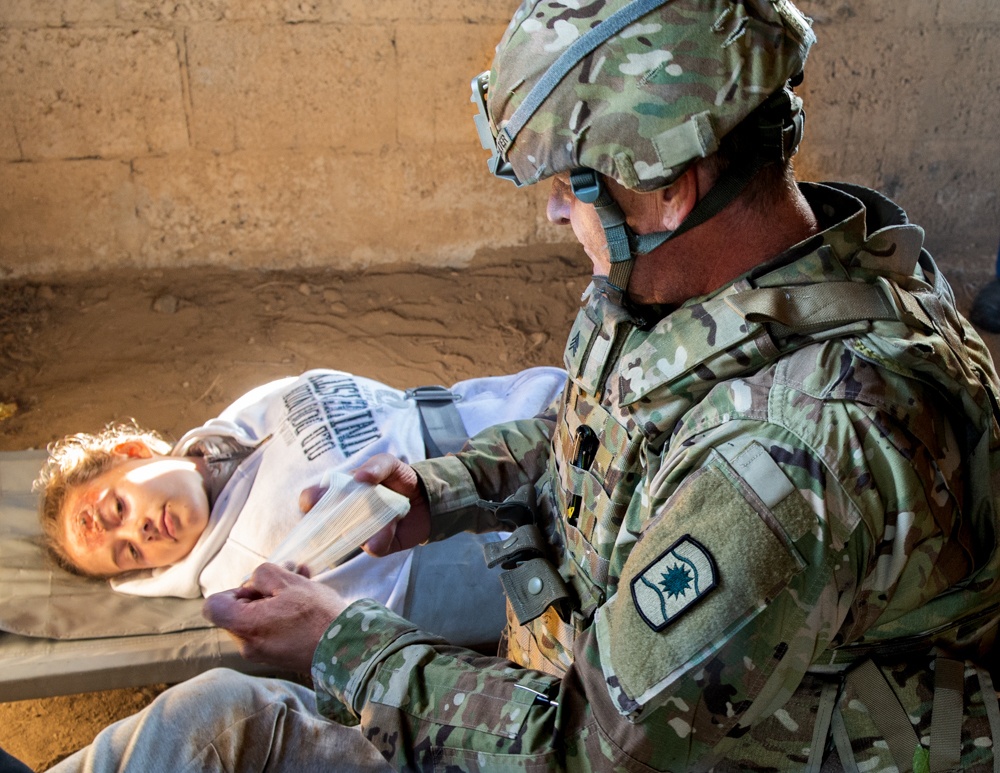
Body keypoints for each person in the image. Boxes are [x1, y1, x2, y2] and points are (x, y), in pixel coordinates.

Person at [39, 0, 1000, 770]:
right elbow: (603, 432)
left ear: (670, 186)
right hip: (601, 684)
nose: (550, 213)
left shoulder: (804, 453)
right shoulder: (706, 286)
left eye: (567, 183)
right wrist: (446, 489)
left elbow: (592, 746)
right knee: (205, 727)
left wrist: (343, 641)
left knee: (221, 731)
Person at [35, 366, 566, 645]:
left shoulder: (241, 417)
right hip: (541, 527)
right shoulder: (244, 575)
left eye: (118, 510)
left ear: (130, 454)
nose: (139, 534)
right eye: (127, 553)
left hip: (534, 414)